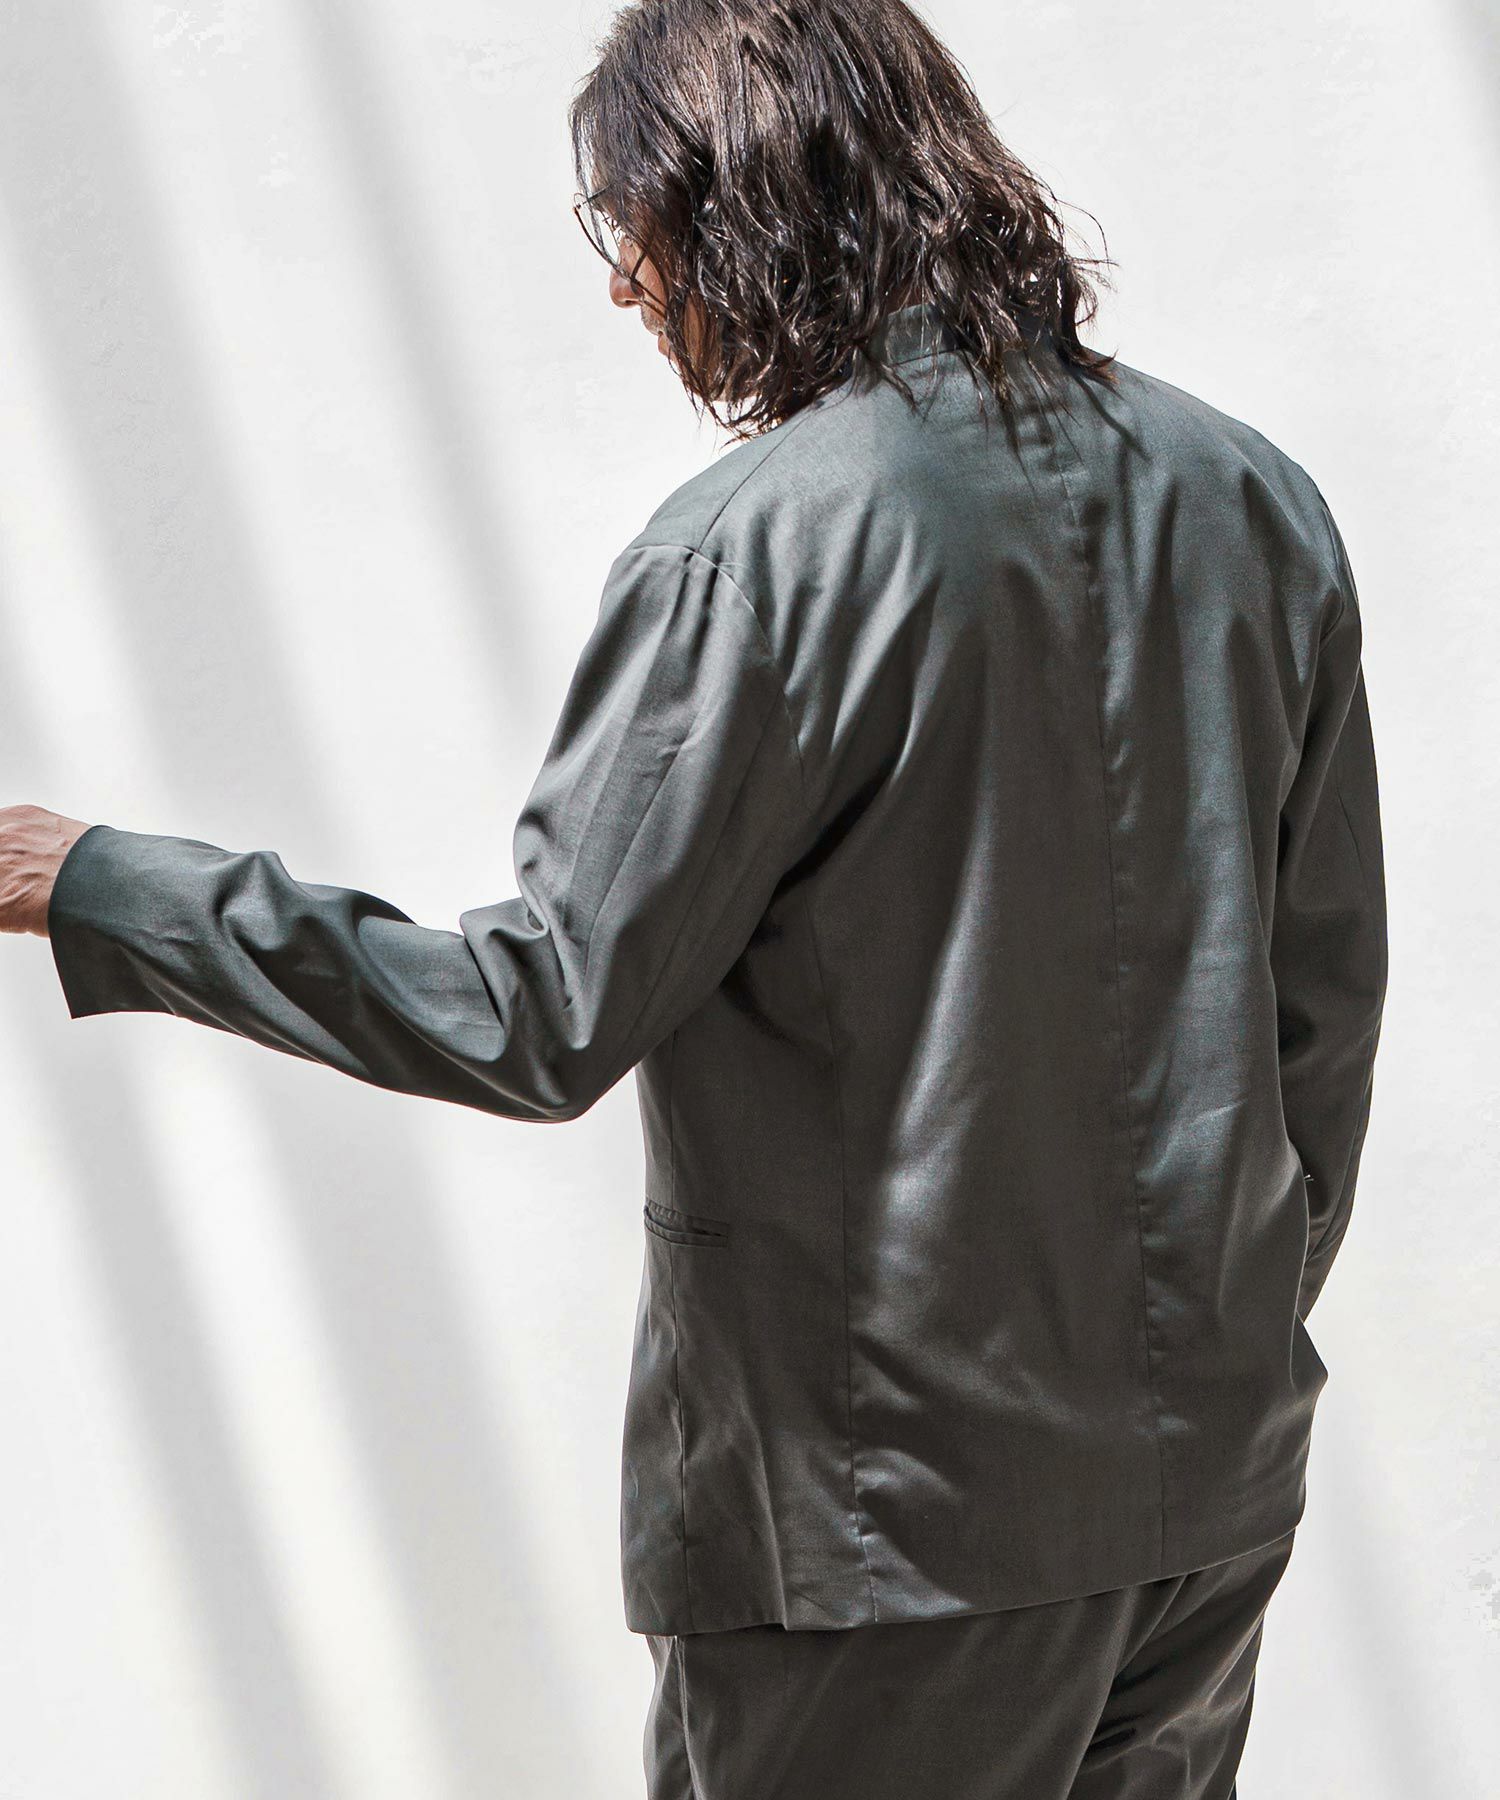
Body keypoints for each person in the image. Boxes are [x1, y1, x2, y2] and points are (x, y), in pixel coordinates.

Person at [0, 1, 1387, 1794]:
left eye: (634, 221)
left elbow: (536, 1012)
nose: (624, 283)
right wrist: (1228, 1334)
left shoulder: (756, 554)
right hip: (1206, 1499)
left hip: (899, 1540)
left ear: (749, 201)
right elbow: (1319, 1020)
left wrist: (92, 880)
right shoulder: (1255, 500)